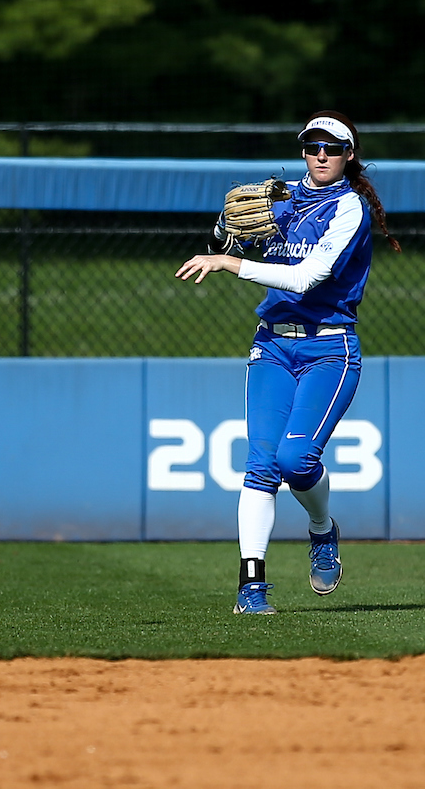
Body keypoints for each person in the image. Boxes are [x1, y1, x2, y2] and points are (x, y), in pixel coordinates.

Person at [175, 110, 400, 615]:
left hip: (328, 348)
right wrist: (220, 235)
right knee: (260, 466)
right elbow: (229, 241)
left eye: (332, 147)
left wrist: (229, 263)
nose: (321, 155)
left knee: (295, 460)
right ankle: (250, 589)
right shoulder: (280, 199)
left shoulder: (349, 209)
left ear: (349, 156)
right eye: (312, 146)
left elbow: (305, 279)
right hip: (272, 344)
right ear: (303, 150)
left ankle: (322, 530)